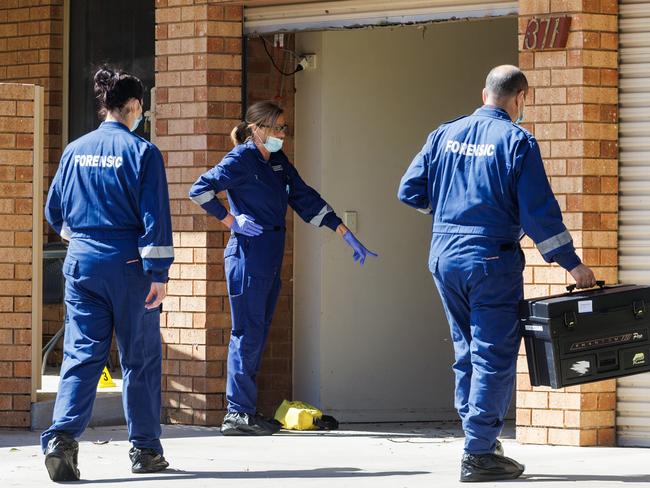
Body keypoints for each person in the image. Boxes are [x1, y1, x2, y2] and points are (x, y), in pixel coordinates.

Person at [397, 65, 596, 482]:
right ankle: (480, 452)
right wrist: (572, 265)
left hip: (444, 255)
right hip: (489, 258)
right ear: (520, 98)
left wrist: (452, 214)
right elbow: (539, 214)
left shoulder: (444, 133)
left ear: (483, 92)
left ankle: (479, 437)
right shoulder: (517, 142)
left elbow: (409, 191)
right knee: (493, 354)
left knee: (466, 350)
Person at [189, 100, 378, 436]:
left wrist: (342, 230)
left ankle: (246, 410)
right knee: (246, 333)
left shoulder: (276, 160)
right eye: (276, 128)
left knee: (258, 332)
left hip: (270, 253)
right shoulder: (241, 159)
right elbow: (199, 189)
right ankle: (237, 413)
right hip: (248, 254)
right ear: (256, 129)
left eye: (284, 128)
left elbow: (303, 196)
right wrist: (231, 220)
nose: (281, 134)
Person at [41, 67, 174, 481]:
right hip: (130, 266)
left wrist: (79, 237)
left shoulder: (74, 149)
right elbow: (156, 218)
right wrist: (159, 273)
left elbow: (54, 212)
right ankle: (145, 451)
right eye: (141, 110)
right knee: (139, 360)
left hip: (81, 263)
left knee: (81, 356)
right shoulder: (142, 152)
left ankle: (61, 440)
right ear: (133, 106)